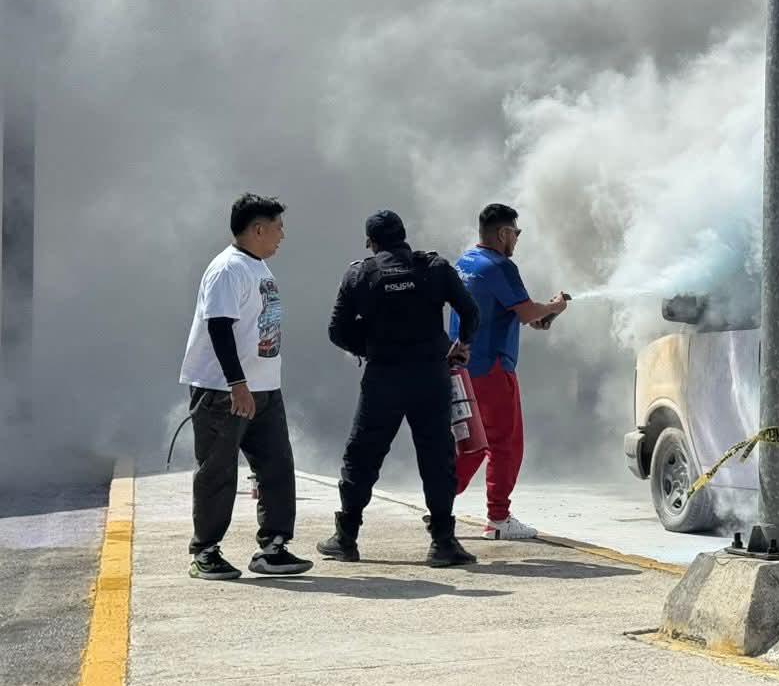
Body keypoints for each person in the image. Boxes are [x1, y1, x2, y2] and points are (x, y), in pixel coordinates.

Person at [320, 211, 483, 568]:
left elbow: (337, 331)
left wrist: (369, 347)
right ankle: (442, 542)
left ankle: (346, 537)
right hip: (431, 375)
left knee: (363, 453)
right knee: (437, 456)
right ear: (404, 237)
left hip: (384, 378)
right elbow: (471, 313)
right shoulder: (435, 268)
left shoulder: (360, 275)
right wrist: (462, 345)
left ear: (371, 242)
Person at [177, 194, 312, 580]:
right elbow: (219, 328)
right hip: (225, 391)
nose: (282, 235)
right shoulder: (227, 270)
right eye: (278, 226)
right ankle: (205, 551)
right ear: (257, 229)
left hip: (264, 389)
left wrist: (259, 384)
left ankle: (273, 548)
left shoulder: (259, 268)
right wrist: (238, 384)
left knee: (276, 466)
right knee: (218, 471)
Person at [448, 203, 568, 539]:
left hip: (462, 369)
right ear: (503, 234)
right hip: (493, 369)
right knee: (505, 444)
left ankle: (440, 502)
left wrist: (536, 317)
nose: (517, 239)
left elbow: (509, 312)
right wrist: (554, 307)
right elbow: (528, 311)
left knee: (471, 442)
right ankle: (499, 520)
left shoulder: (465, 262)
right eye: (516, 232)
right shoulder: (501, 266)